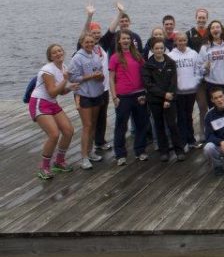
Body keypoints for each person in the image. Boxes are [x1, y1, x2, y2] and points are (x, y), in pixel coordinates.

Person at [30, 43, 78, 179]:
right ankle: (44, 167)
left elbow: (61, 92)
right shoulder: (47, 70)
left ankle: (59, 162)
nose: (58, 54)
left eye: (60, 51)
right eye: (54, 52)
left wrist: (70, 87)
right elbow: (51, 92)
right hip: (39, 102)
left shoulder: (64, 67)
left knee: (68, 131)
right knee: (54, 134)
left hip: (51, 103)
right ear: (50, 57)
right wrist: (66, 80)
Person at [110, 30, 150, 165]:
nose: (126, 40)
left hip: (139, 94)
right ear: (119, 41)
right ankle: (120, 154)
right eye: (123, 38)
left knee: (141, 124)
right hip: (123, 96)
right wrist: (114, 97)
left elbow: (145, 73)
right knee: (121, 125)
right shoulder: (115, 57)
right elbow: (111, 79)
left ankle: (140, 150)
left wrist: (145, 92)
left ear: (131, 41)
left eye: (128, 38)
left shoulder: (137, 55)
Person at [141, 37, 184, 162]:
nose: (159, 50)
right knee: (159, 125)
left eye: (161, 48)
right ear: (152, 50)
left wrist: (168, 98)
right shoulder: (147, 66)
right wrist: (163, 95)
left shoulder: (171, 62)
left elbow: (173, 82)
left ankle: (179, 150)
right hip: (155, 100)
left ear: (164, 49)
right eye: (156, 48)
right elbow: (148, 84)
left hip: (170, 99)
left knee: (172, 125)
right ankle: (164, 151)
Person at [69, 31, 105, 169]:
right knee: (87, 125)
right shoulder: (77, 58)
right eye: (86, 42)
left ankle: (90, 152)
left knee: (94, 124)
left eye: (91, 42)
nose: (89, 44)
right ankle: (83, 157)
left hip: (97, 93)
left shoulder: (96, 55)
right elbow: (72, 78)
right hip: (84, 95)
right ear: (82, 43)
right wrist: (90, 77)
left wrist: (100, 76)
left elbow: (100, 74)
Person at [167, 31, 204, 150]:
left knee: (189, 116)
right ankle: (182, 141)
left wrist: (196, 82)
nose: (182, 42)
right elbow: (169, 75)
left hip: (191, 90)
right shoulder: (171, 56)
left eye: (184, 40)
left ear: (187, 41)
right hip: (178, 92)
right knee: (180, 116)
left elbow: (199, 69)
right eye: (179, 40)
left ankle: (191, 140)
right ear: (175, 42)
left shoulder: (193, 53)